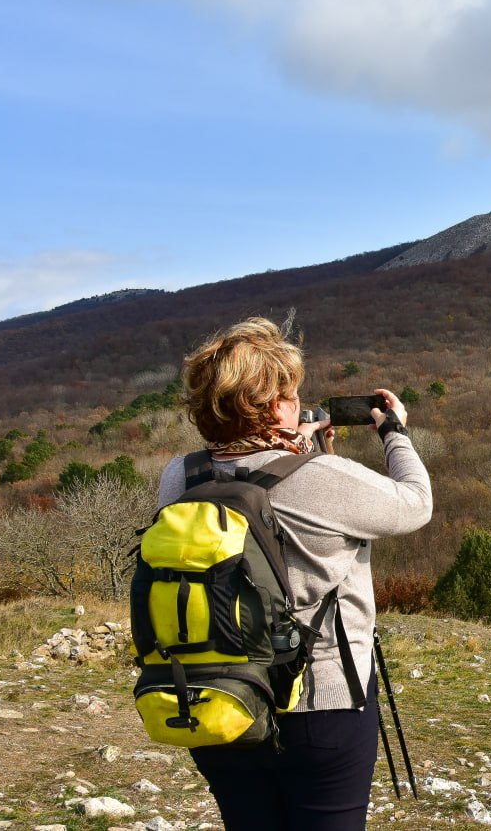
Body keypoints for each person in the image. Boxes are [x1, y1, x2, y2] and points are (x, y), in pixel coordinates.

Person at [157, 317, 432, 830]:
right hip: (321, 703)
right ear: (275, 404)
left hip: (219, 700)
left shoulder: (183, 475)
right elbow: (415, 504)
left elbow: (257, 494)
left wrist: (299, 452)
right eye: (290, 392)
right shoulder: (321, 478)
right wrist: (394, 432)